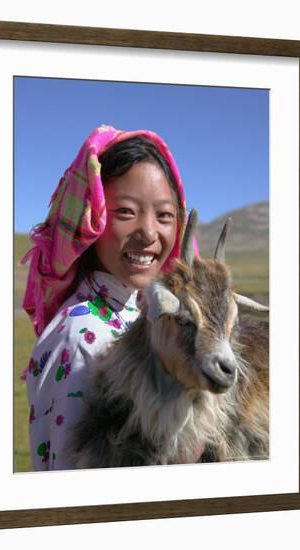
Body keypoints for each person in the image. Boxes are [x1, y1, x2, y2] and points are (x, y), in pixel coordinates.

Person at [21, 125, 188, 470]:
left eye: (165, 215)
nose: (149, 232)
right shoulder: (84, 336)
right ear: (91, 217)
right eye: (126, 212)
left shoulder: (142, 317)